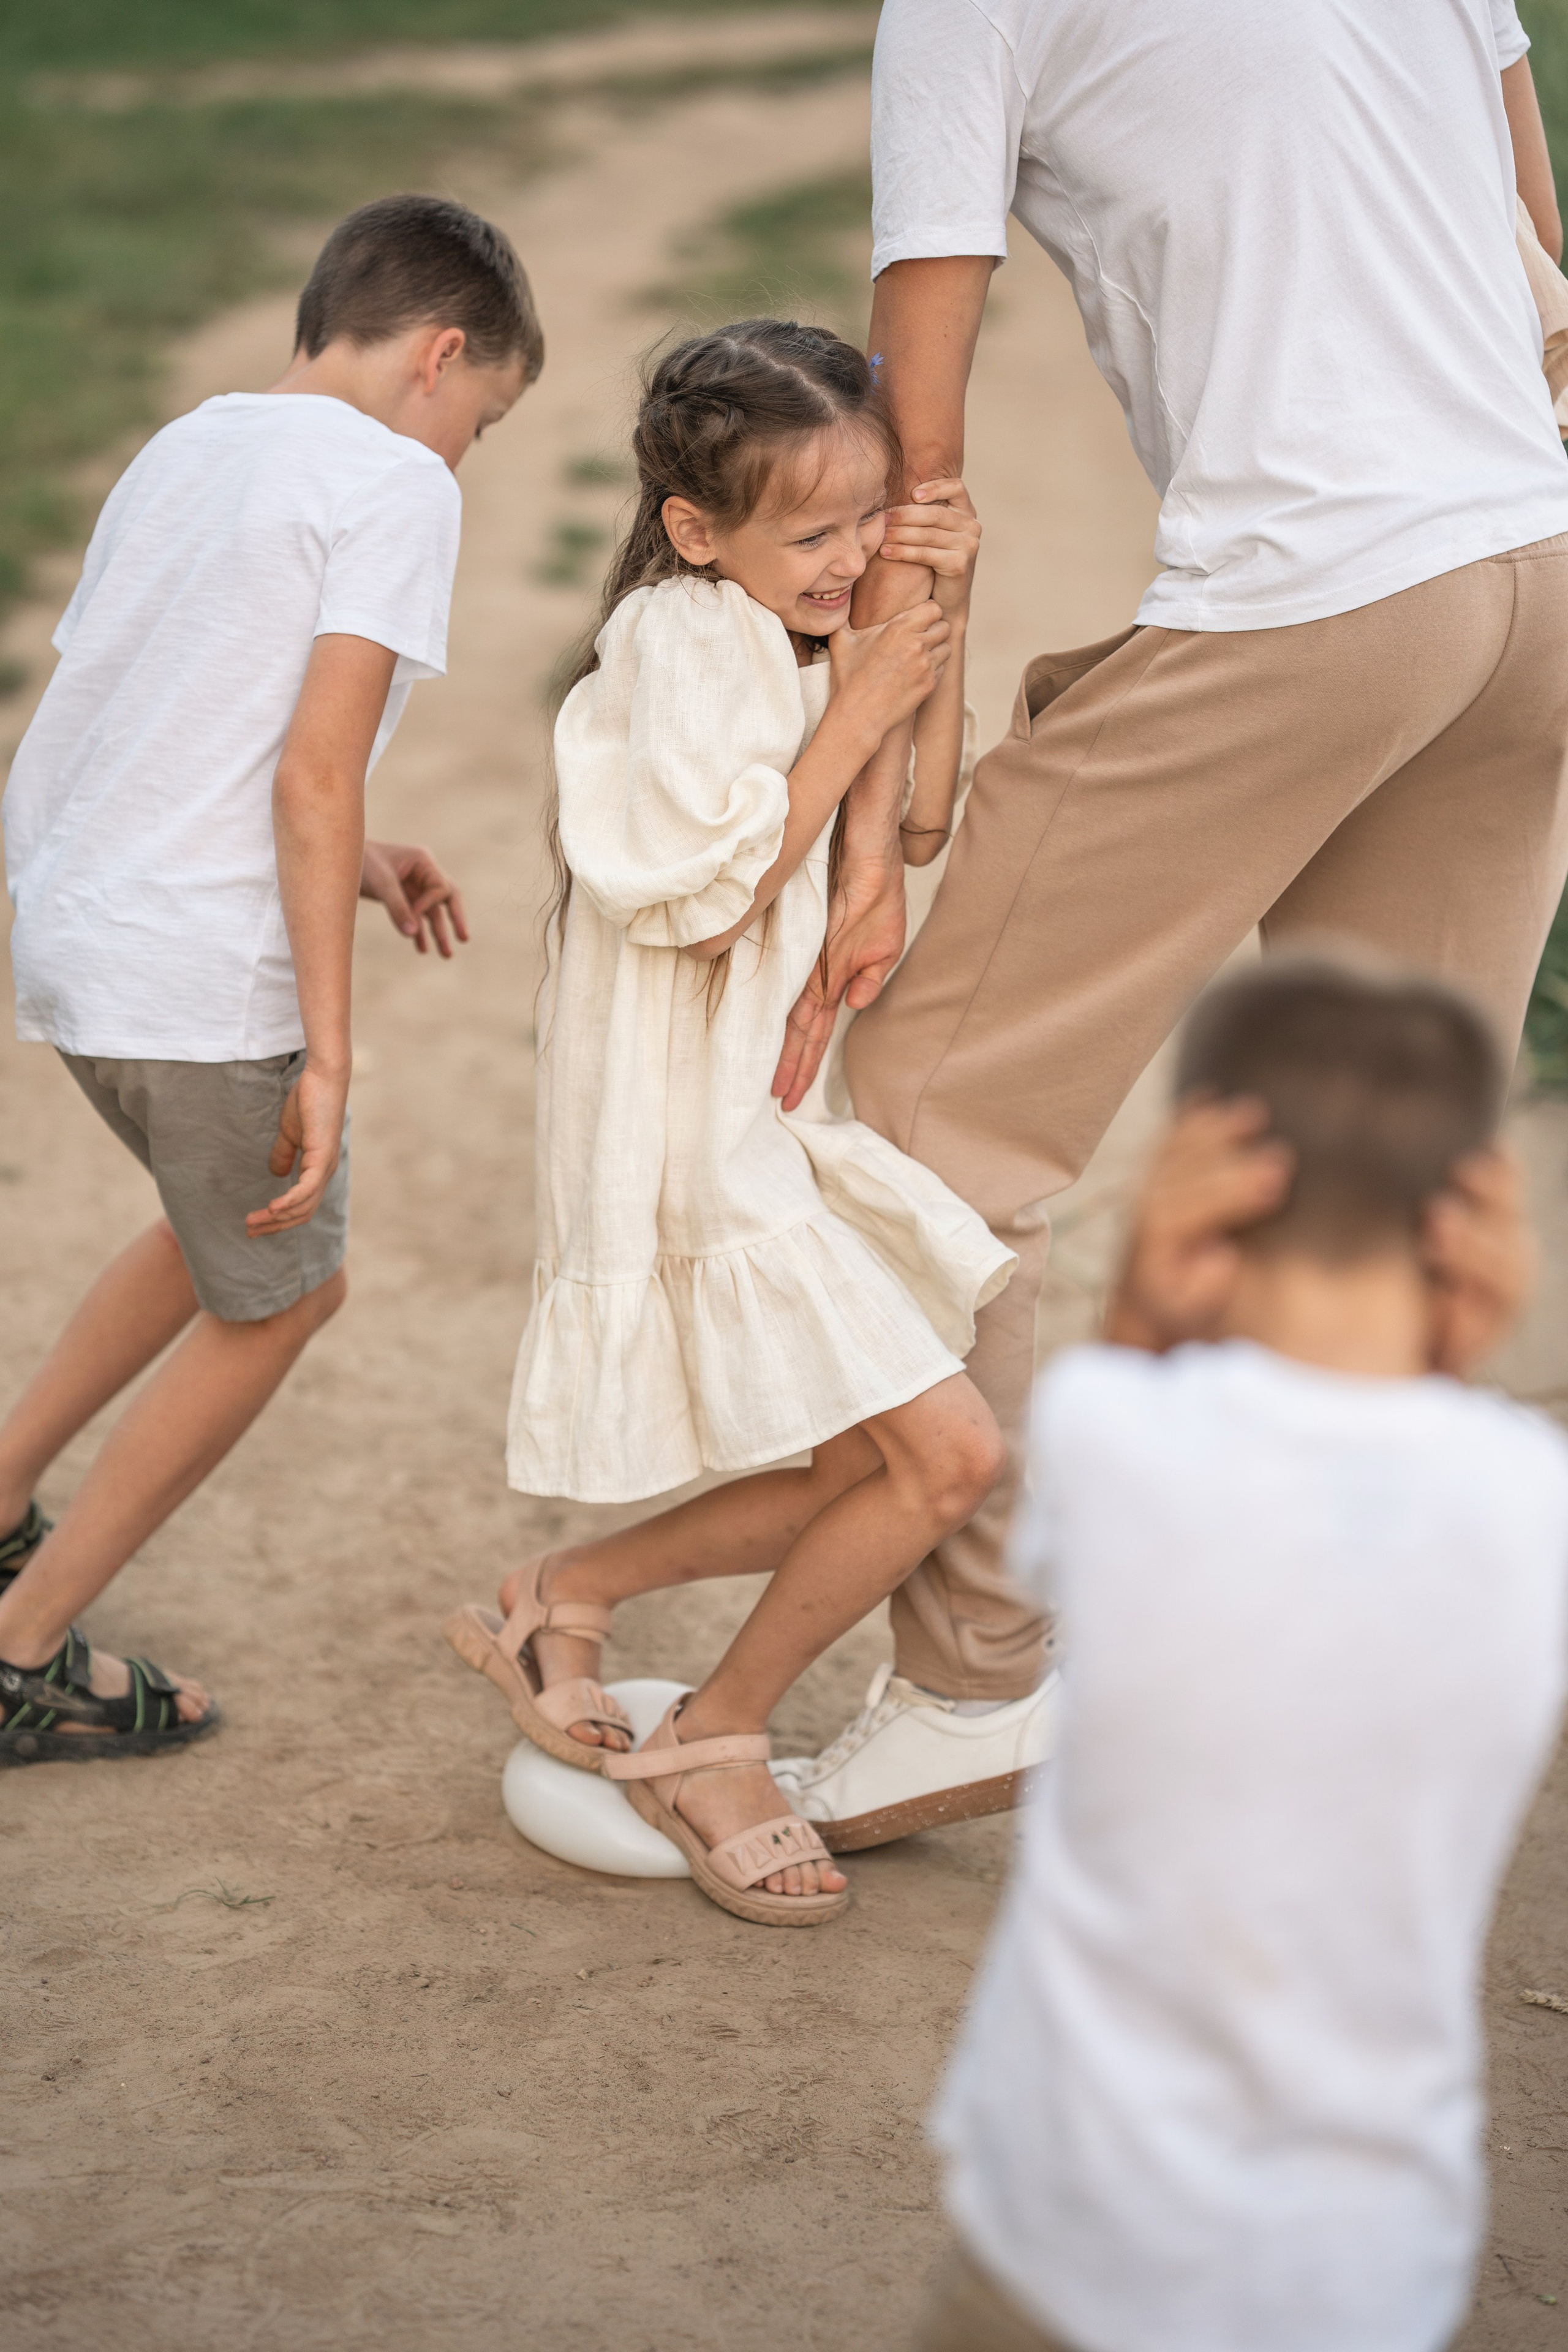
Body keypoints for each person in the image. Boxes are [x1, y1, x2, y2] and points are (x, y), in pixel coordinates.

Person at [761, 0, 1568, 1849]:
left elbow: (918, 429)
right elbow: (1544, 276)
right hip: (1539, 564)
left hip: (1324, 584)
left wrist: (909, 739)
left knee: (916, 1135)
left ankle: (971, 1681)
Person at [445, 318, 1014, 1926]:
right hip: (690, 1118)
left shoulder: (780, 619)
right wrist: (858, 704)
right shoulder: (677, 640)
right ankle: (714, 1734)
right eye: (810, 531)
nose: (842, 562)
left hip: (761, 1102)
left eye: (864, 523)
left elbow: (918, 796)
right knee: (944, 1457)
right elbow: (694, 897)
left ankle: (565, 1589)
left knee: (865, 1452)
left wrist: (932, 613)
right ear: (701, 529)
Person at [916, 952, 1568, 2352]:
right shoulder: (1535, 1503)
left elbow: (1119, 1419)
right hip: (1366, 2265)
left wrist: (1147, 1299)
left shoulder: (1117, 1436)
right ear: (1465, 1219)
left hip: (1071, 2239)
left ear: (1201, 1179)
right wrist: (1463, 1350)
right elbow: (1426, 1480)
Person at [0, 194, 542, 1763]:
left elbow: (166, 701)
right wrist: (326, 1047)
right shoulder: (393, 484)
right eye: (484, 422)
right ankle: (24, 1651)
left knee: (213, 1225)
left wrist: (360, 855)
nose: (463, 457)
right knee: (292, 1289)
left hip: (81, 931)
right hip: (196, 973)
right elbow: (311, 773)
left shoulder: (191, 441)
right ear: (442, 356)